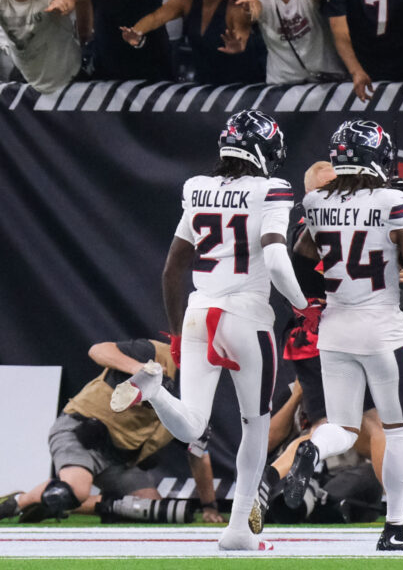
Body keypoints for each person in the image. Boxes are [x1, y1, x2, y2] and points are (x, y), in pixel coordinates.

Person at [110, 109, 309, 551]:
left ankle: (155, 392)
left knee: (193, 423)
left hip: (199, 312)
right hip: (248, 318)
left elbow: (171, 270)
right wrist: (303, 306)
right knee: (255, 428)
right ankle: (238, 528)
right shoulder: (271, 189)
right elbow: (276, 260)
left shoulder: (197, 189)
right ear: (262, 152)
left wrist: (177, 333)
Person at [282, 119, 403, 552]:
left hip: (334, 330)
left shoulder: (314, 202)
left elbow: (301, 267)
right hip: (383, 330)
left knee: (344, 427)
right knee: (400, 429)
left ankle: (312, 452)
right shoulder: (393, 199)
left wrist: (328, 291)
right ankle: (394, 529)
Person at [0, 338, 222, 526]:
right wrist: (140, 370)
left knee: (149, 508)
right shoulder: (154, 355)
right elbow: (98, 349)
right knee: (75, 491)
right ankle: (20, 501)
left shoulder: (198, 399)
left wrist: (209, 506)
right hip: (83, 432)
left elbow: (198, 453)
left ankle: (61, 501)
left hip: (121, 460)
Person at [120, 0, 263, 85]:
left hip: (241, 83)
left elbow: (243, 30)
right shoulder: (185, 0)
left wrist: (239, 45)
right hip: (204, 81)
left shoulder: (235, 4)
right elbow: (156, 17)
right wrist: (136, 31)